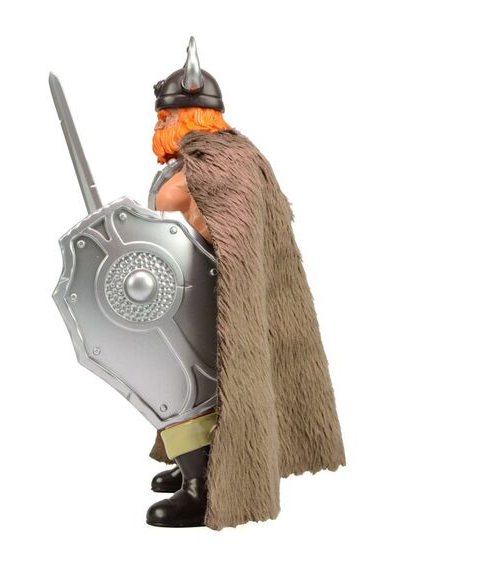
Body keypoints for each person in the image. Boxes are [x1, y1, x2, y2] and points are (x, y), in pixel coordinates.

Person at [145, 38, 345, 530]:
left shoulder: (216, 163)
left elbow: (196, 219)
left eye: (167, 117)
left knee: (185, 381)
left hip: (215, 294)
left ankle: (204, 486)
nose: (160, 126)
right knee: (179, 378)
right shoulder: (198, 159)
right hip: (189, 286)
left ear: (191, 115)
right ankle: (193, 464)